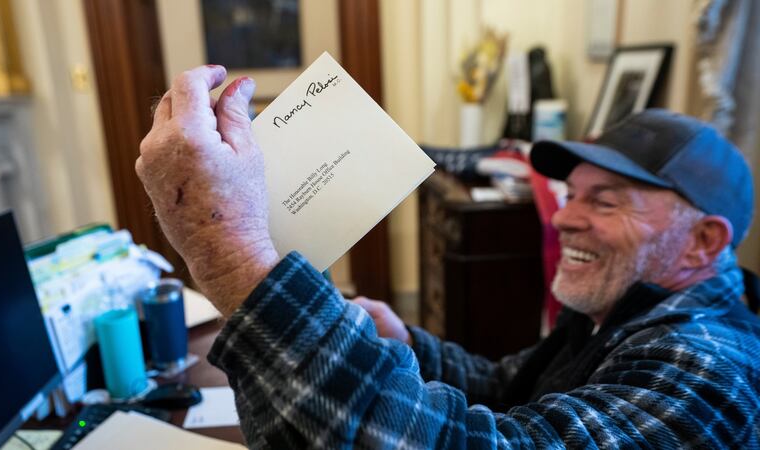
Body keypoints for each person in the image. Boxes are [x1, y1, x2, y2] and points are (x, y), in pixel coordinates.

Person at [136, 65, 760, 448]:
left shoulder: (706, 369)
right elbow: (511, 387)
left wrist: (228, 248)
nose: (566, 215)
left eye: (607, 201)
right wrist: (404, 337)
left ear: (703, 241)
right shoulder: (632, 302)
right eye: (574, 194)